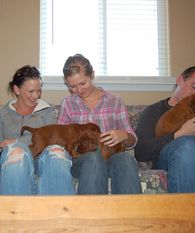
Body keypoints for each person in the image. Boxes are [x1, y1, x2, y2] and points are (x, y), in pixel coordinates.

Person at [0, 65, 75, 195]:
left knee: (57, 152)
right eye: (31, 91)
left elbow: (52, 139)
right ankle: (17, 212)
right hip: (13, 158)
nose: (36, 96)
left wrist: (17, 141)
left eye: (39, 90)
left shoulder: (48, 112)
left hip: (41, 159)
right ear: (17, 89)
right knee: (16, 151)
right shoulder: (1, 114)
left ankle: (59, 212)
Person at [58, 54, 142, 194]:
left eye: (83, 83)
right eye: (72, 86)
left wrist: (125, 135)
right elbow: (61, 142)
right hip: (82, 161)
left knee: (125, 159)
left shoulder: (115, 101)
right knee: (93, 157)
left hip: (112, 157)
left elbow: (133, 140)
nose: (79, 90)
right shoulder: (67, 104)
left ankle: (130, 214)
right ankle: (90, 215)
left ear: (92, 75)